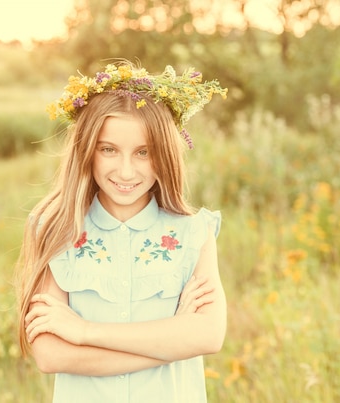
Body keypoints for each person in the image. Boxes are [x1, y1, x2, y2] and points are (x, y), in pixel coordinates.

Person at [15, 61, 228, 402]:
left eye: (143, 153)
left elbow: (208, 336)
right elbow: (52, 355)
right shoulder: (56, 231)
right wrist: (172, 342)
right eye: (109, 150)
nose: (126, 171)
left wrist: (84, 331)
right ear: (87, 151)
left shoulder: (193, 233)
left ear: (165, 155)